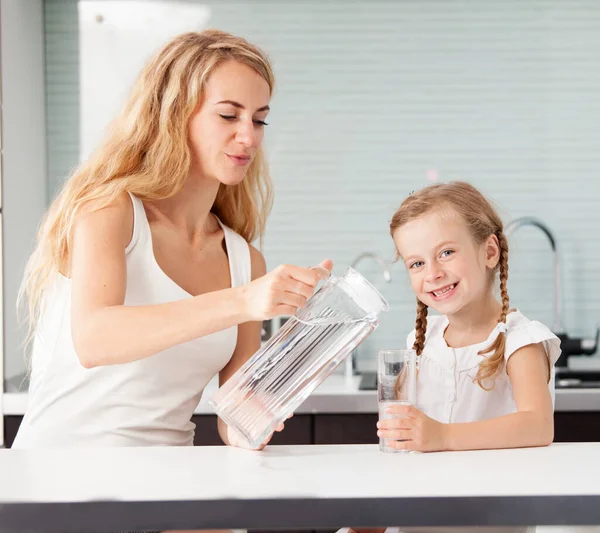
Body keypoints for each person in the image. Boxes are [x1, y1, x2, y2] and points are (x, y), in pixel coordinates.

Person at [13, 28, 332, 453]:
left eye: (259, 119)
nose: (249, 137)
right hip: (60, 480)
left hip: (168, 482)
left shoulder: (242, 261)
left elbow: (237, 426)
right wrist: (243, 300)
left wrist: (297, 361)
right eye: (228, 115)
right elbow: (94, 339)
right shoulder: (110, 211)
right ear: (175, 114)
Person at [343, 181, 561, 533]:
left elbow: (538, 425)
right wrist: (374, 520)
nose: (432, 273)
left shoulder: (519, 341)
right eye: (416, 263)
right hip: (418, 521)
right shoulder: (420, 342)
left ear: (490, 252)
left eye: (446, 253)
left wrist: (442, 436)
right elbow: (405, 447)